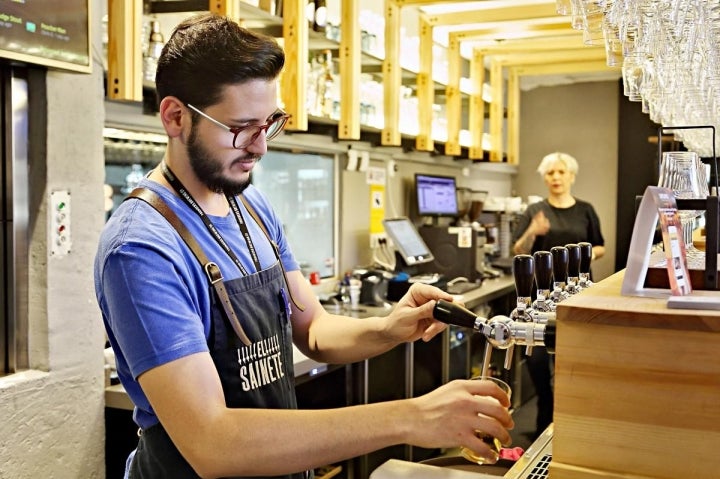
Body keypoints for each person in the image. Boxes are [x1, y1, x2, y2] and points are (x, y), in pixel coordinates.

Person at [94, 13, 514, 479]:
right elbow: (211, 442)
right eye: (241, 127)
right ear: (175, 117)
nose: (260, 147)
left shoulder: (250, 204)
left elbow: (312, 329)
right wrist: (412, 417)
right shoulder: (142, 247)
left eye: (270, 122)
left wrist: (390, 328)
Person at [511, 151, 605, 438]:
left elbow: (600, 247)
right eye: (550, 173)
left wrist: (573, 263)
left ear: (571, 176)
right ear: (544, 178)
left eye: (561, 172)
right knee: (538, 359)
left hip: (577, 293)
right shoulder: (536, 211)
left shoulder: (586, 209)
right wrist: (533, 230)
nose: (555, 178)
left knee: (571, 360)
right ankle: (544, 413)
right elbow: (519, 251)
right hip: (541, 297)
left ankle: (569, 423)